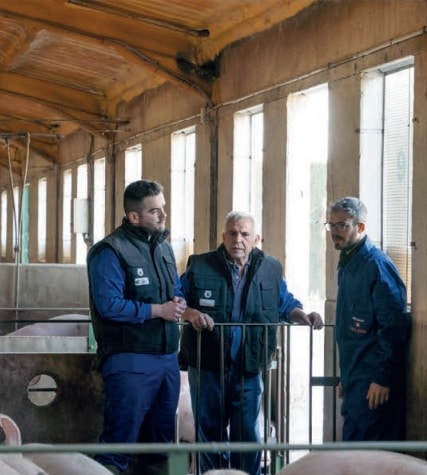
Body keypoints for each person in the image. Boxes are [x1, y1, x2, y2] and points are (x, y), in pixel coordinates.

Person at [178, 211, 323, 475]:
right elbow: (177, 299)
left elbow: (284, 303)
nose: (238, 239)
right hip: (208, 363)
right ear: (223, 236)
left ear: (256, 238)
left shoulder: (271, 268)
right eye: (232, 233)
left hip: (249, 365)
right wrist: (191, 314)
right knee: (210, 433)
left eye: (244, 234)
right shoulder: (199, 265)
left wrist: (301, 315)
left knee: (248, 435)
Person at [87, 179, 187, 475]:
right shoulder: (109, 251)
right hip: (129, 358)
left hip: (167, 358)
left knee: (159, 445)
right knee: (119, 443)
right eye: (155, 211)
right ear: (134, 216)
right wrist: (159, 310)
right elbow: (109, 305)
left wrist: (181, 305)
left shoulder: (164, 248)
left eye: (163, 208)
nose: (163, 216)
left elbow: (175, 288)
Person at [326, 197, 411, 441]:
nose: (334, 232)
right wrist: (347, 377)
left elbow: (393, 327)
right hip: (356, 382)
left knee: (373, 458)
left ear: (360, 227)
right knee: (353, 456)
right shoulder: (348, 263)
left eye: (342, 225)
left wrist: (382, 378)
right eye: (331, 225)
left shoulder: (377, 266)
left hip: (374, 387)